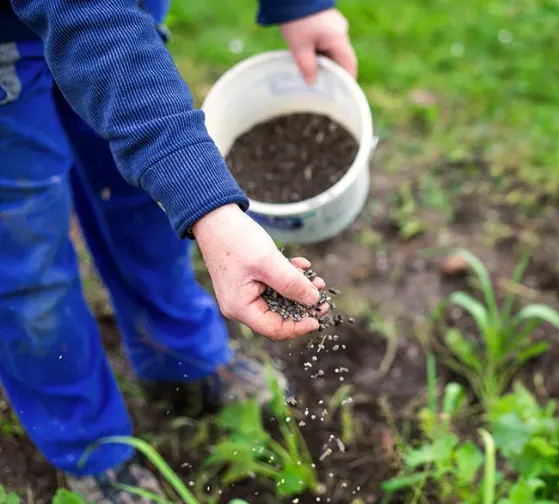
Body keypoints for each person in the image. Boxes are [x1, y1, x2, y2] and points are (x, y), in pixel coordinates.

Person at [0, 0, 358, 501]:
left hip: (125, 16)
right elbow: (91, 23)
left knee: (143, 194)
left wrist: (299, 5)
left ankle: (179, 355)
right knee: (25, 254)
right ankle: (87, 444)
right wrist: (210, 209)